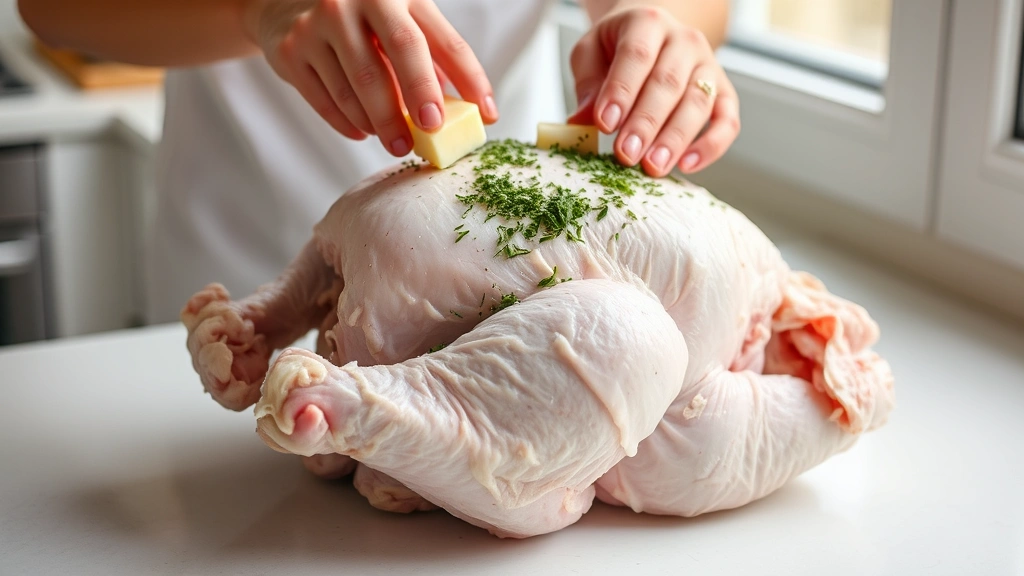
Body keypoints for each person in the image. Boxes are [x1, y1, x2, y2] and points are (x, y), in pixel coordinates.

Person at [18, 0, 739, 323]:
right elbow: (50, 7)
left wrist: (658, 21)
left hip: (510, 268)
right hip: (247, 270)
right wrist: (259, 10)